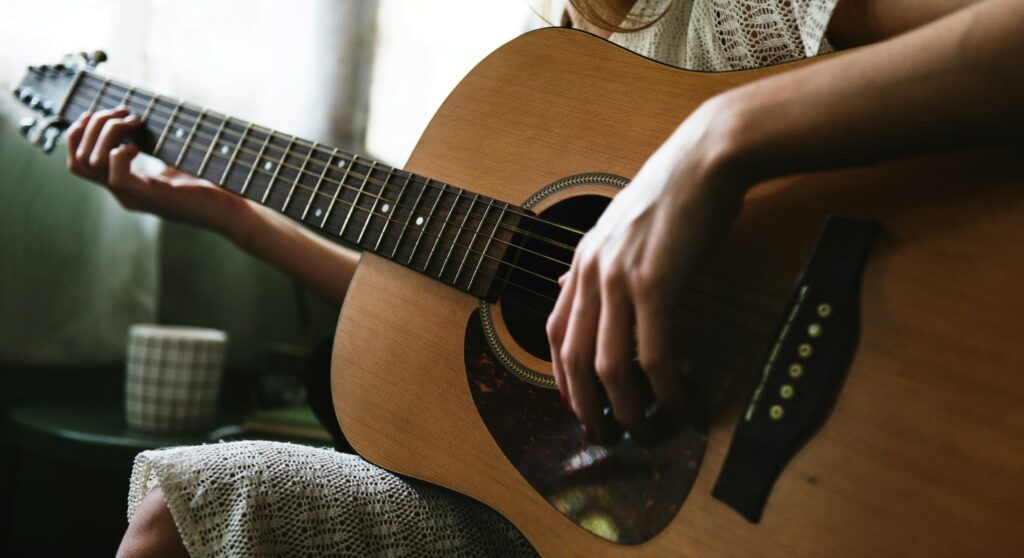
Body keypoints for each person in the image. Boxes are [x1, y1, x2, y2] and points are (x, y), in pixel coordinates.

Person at [65, 1, 1022, 556]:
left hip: (843, 470)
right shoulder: (537, 66)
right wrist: (225, 213)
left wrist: (713, 146)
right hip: (595, 505)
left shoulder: (748, 10)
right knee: (179, 522)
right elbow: (433, 305)